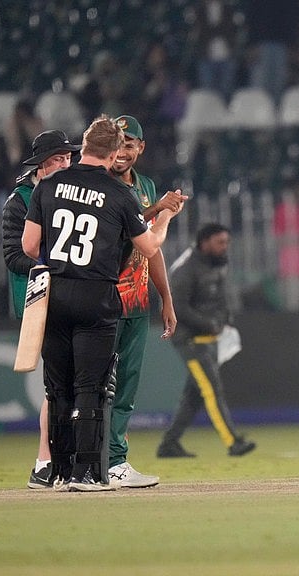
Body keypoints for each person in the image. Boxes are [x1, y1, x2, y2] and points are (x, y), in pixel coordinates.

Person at [22, 115, 179, 492]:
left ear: (83, 146)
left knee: (58, 388)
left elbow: (29, 246)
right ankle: (88, 473)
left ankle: (58, 472)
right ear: (111, 153)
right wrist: (167, 216)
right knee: (91, 387)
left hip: (55, 294)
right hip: (97, 296)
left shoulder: (49, 184)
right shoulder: (119, 193)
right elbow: (150, 247)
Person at [106, 115, 187, 488]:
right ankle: (81, 461)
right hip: (102, 299)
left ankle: (116, 462)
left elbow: (151, 248)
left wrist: (165, 298)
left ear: (140, 148)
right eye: (117, 142)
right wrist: (159, 210)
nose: (122, 152)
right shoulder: (98, 181)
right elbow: (126, 224)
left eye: (129, 144)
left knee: (127, 385)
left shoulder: (147, 185)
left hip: (136, 301)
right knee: (92, 384)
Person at [1, 129, 80, 489]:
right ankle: (46, 461)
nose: (65, 165)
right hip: (41, 299)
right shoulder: (19, 201)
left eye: (67, 158)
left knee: (72, 383)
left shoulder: (74, 193)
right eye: (57, 160)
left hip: (74, 296)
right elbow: (14, 255)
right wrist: (53, 267)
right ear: (41, 166)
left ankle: (59, 461)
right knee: (58, 384)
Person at [156, 223, 256, 458]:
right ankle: (233, 442)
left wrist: (225, 318)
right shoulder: (185, 269)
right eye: (220, 242)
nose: (225, 247)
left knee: (195, 394)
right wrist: (207, 323)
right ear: (205, 242)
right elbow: (175, 307)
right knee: (212, 388)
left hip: (210, 338)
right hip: (190, 340)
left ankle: (169, 444)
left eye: (227, 242)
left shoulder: (217, 262)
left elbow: (220, 296)